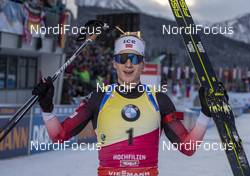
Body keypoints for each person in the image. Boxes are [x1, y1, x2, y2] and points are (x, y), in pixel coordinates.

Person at [33, 32, 213, 176]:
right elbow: (59, 136)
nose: (128, 64)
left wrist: (205, 113)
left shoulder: (159, 99)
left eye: (134, 59)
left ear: (142, 64)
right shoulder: (99, 97)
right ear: (114, 63)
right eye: (122, 58)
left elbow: (187, 148)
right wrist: (47, 109)